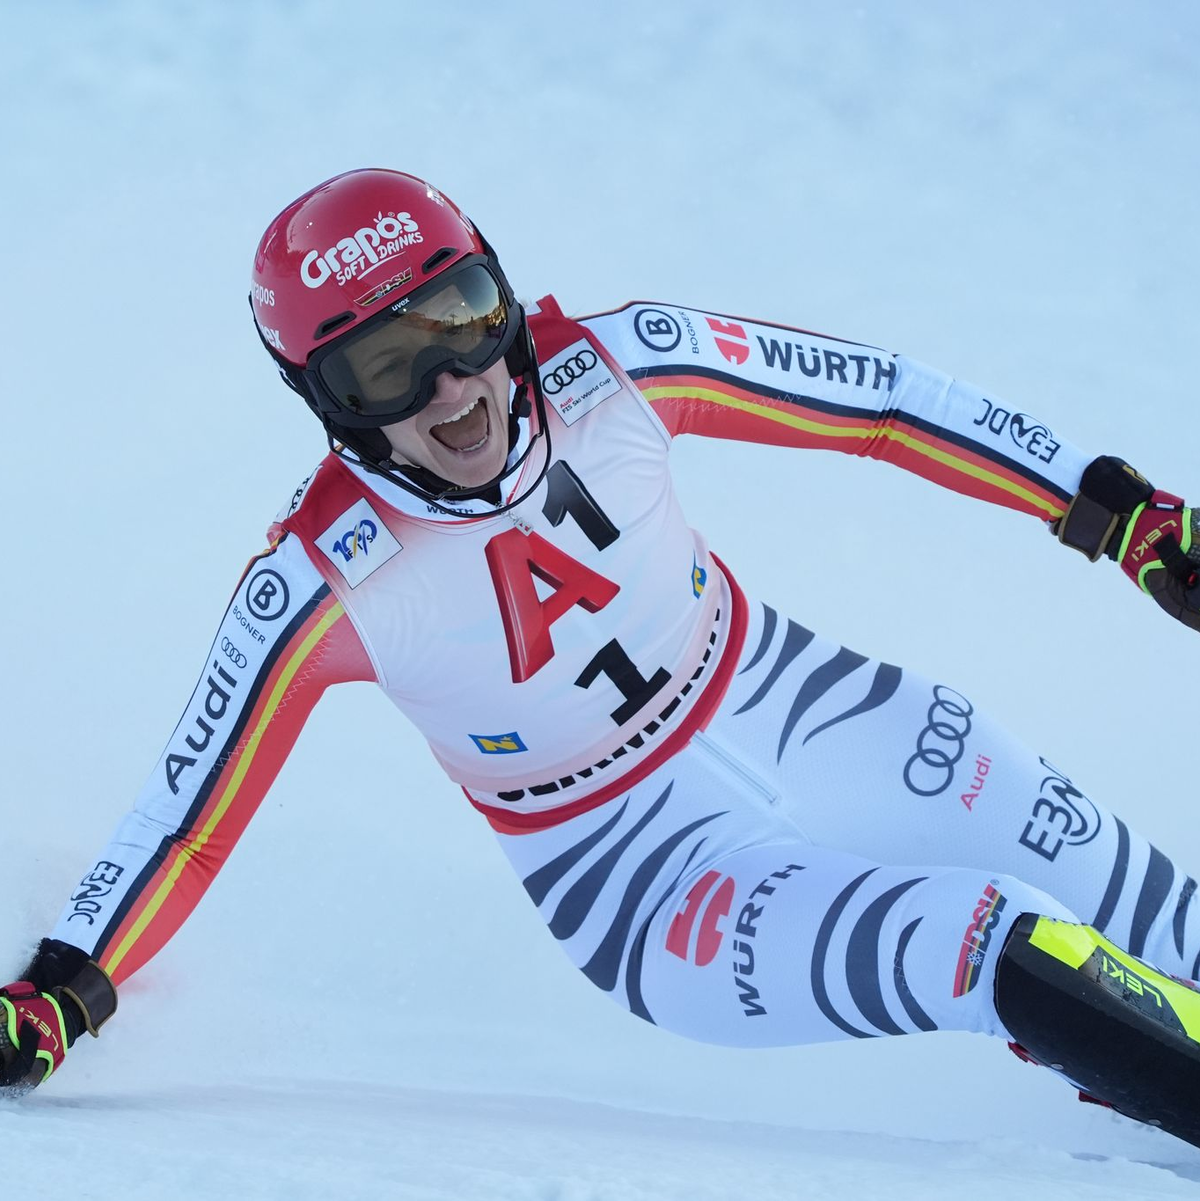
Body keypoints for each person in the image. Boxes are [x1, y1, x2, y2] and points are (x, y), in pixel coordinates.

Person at [4, 168, 1200, 1144]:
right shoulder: (321, 581)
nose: (456, 386)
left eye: (467, 319)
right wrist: (63, 992)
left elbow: (878, 403)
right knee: (985, 932)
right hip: (647, 879)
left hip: (809, 705)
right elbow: (187, 823)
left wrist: (1121, 516)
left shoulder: (624, 361)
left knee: (1141, 901)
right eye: (387, 366)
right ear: (323, 400)